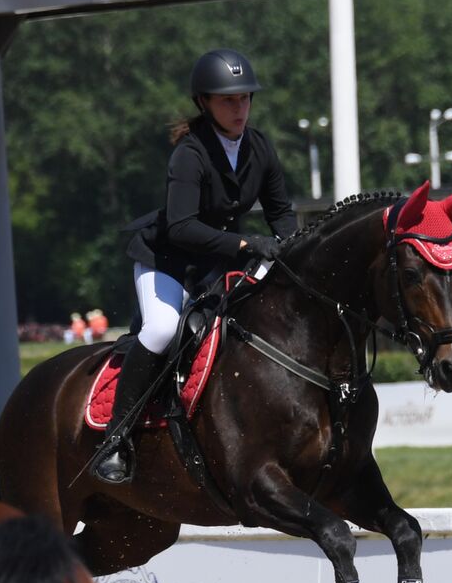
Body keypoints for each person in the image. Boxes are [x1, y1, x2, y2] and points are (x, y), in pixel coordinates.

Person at [90, 48, 298, 484]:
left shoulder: (259, 148)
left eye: (244, 99)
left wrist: (291, 248)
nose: (239, 108)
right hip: (167, 262)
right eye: (228, 100)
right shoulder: (190, 154)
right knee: (164, 328)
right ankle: (116, 439)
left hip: (216, 264)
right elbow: (182, 228)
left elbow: (280, 212)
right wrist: (246, 243)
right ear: (203, 102)